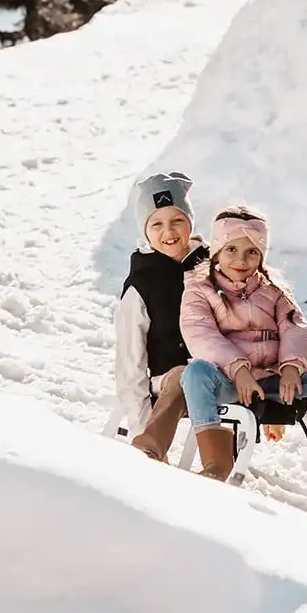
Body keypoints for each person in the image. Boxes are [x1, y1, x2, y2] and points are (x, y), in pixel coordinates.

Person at [179, 205, 307, 499]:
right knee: (194, 373)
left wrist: (291, 367)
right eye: (231, 249)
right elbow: (201, 334)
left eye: (252, 252)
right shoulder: (199, 290)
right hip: (229, 382)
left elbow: (295, 328)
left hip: (277, 380)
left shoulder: (274, 290)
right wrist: (238, 370)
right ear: (216, 251)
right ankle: (216, 464)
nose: (241, 260)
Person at [114, 171, 209, 462]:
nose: (169, 232)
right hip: (168, 378)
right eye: (156, 224)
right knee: (183, 376)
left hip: (217, 372)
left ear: (190, 222)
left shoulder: (211, 267)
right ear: (145, 231)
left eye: (177, 220)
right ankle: (151, 448)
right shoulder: (142, 284)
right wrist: (141, 424)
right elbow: (130, 363)